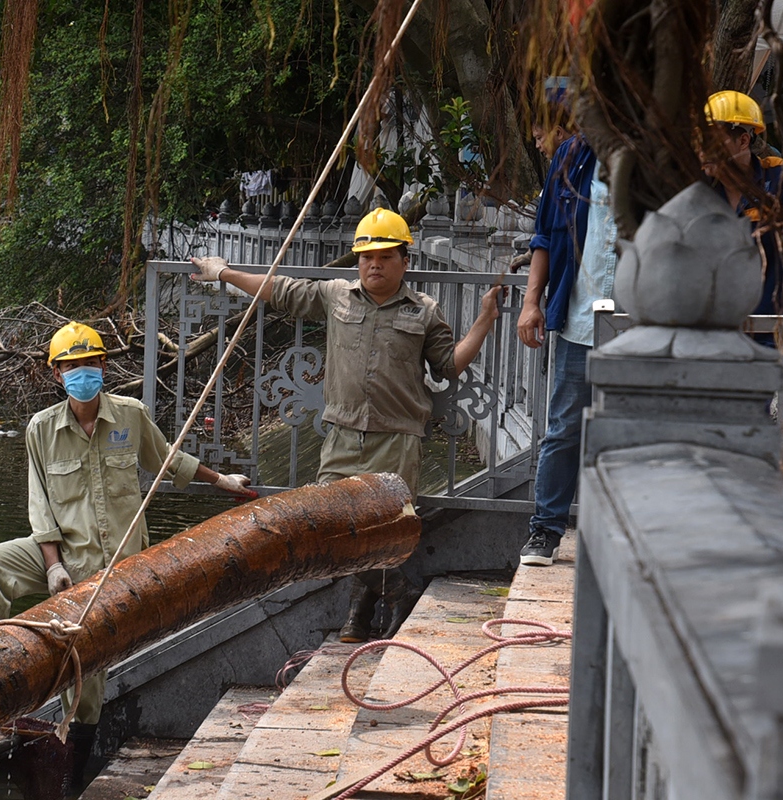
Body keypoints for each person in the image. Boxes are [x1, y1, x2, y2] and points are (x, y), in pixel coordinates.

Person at [190, 208, 503, 642]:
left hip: (397, 437)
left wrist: (485, 318)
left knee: (384, 530)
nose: (374, 265)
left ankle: (359, 610)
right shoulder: (336, 295)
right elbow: (279, 290)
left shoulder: (424, 310)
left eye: (385, 257)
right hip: (342, 433)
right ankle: (398, 591)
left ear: (404, 261)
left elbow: (448, 367)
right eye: (366, 257)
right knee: (333, 527)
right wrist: (224, 272)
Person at [0, 321, 255, 787]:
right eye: (72, 366)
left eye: (90, 364)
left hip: (114, 571)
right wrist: (54, 565)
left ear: (104, 366)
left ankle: (72, 776)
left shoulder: (130, 415)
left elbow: (168, 461)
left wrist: (222, 481)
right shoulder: (41, 429)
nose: (82, 373)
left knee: (87, 679)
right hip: (62, 559)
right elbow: (39, 504)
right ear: (57, 375)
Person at [516, 126, 618, 568]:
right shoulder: (572, 158)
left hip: (643, 328)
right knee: (563, 429)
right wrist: (531, 302)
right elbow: (544, 235)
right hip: (580, 321)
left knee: (633, 432)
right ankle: (546, 529)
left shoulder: (658, 152)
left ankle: (621, 532)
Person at [700, 90, 783, 344]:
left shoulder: (780, 179)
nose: (703, 151)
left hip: (769, 334)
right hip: (709, 334)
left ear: (743, 141)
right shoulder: (696, 192)